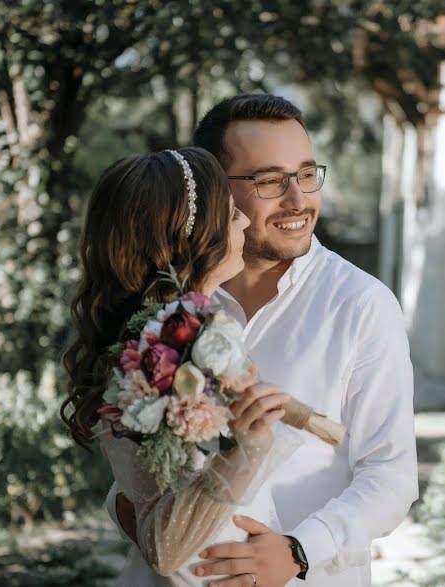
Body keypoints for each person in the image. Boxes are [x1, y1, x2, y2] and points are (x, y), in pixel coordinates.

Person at [110, 94, 419, 587]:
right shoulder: (165, 309)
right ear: (217, 192)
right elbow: (144, 456)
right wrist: (126, 505)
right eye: (271, 180)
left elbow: (391, 476)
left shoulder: (362, 304)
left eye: (307, 174)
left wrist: (300, 551)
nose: (299, 200)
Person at [62, 147, 303, 586]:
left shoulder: (189, 334)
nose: (246, 222)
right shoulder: (156, 360)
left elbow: (153, 488)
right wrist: (245, 448)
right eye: (232, 216)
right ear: (191, 240)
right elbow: (166, 547)